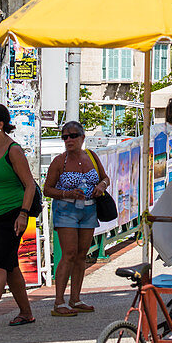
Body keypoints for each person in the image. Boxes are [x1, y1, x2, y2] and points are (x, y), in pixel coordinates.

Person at [43, 120, 109, 317]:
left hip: (88, 209)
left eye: (73, 136)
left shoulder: (91, 156)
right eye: (65, 137)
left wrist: (101, 187)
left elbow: (105, 177)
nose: (68, 140)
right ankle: (58, 301)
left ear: (82, 137)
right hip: (66, 211)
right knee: (69, 253)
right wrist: (67, 194)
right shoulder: (59, 161)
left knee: (82, 254)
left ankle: (76, 298)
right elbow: (47, 189)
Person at [0, 104, 37, 325]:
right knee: (10, 266)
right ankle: (26, 312)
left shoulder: (13, 150)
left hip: (12, 214)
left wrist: (23, 214)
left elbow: (29, 185)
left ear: (0, 124)